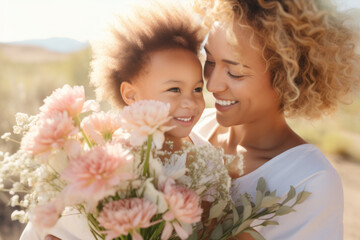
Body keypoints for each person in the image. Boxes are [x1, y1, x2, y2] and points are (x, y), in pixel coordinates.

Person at [20, 1, 207, 239]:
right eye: (174, 90)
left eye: (198, 89)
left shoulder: (205, 156)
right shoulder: (109, 160)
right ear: (130, 95)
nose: (191, 102)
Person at [192, 0, 360, 239]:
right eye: (209, 61)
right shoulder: (191, 127)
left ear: (287, 77)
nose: (212, 84)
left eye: (235, 72)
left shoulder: (310, 181)